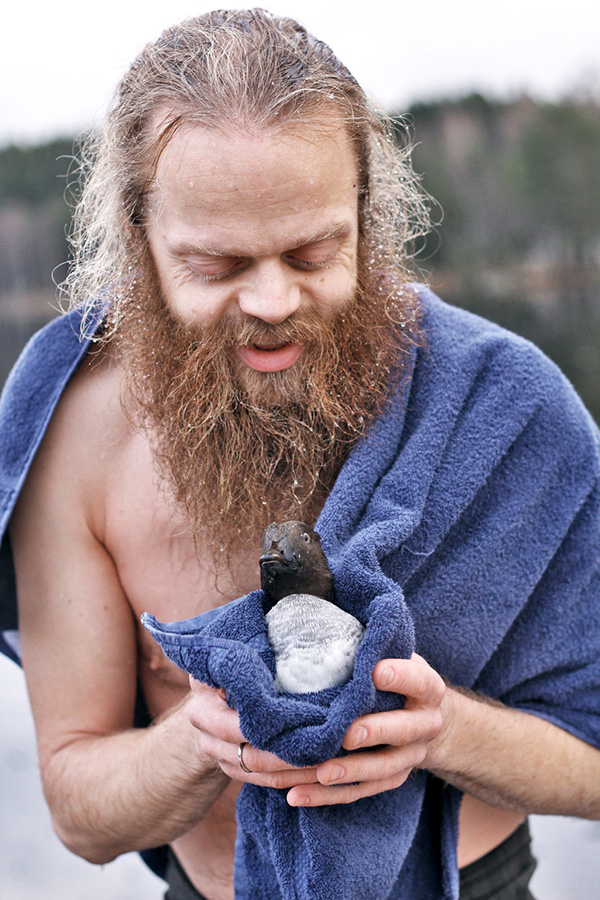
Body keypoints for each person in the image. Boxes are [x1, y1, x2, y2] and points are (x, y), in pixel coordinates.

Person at [1, 9, 599, 900]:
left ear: (367, 216)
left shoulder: (506, 413)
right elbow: (79, 812)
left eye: (313, 251)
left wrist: (443, 733)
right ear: (141, 245)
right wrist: (204, 738)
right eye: (217, 265)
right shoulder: (80, 438)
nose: (274, 299)